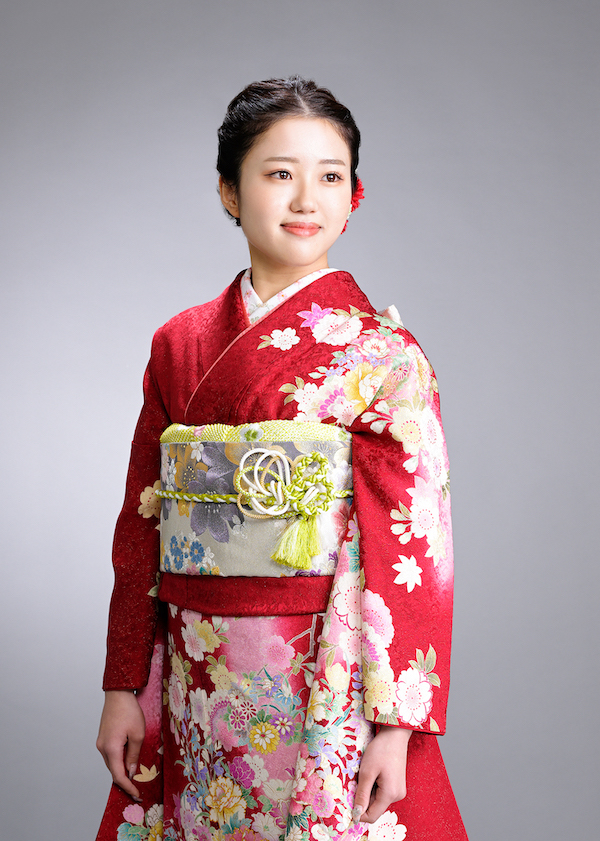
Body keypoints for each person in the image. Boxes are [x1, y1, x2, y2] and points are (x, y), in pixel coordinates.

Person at [96, 76, 468, 841]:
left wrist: (396, 724)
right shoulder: (178, 345)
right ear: (229, 191)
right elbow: (142, 524)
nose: (306, 199)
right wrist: (123, 683)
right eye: (279, 173)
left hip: (325, 671)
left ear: (354, 196)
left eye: (330, 177)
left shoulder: (385, 357)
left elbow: (416, 545)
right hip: (195, 663)